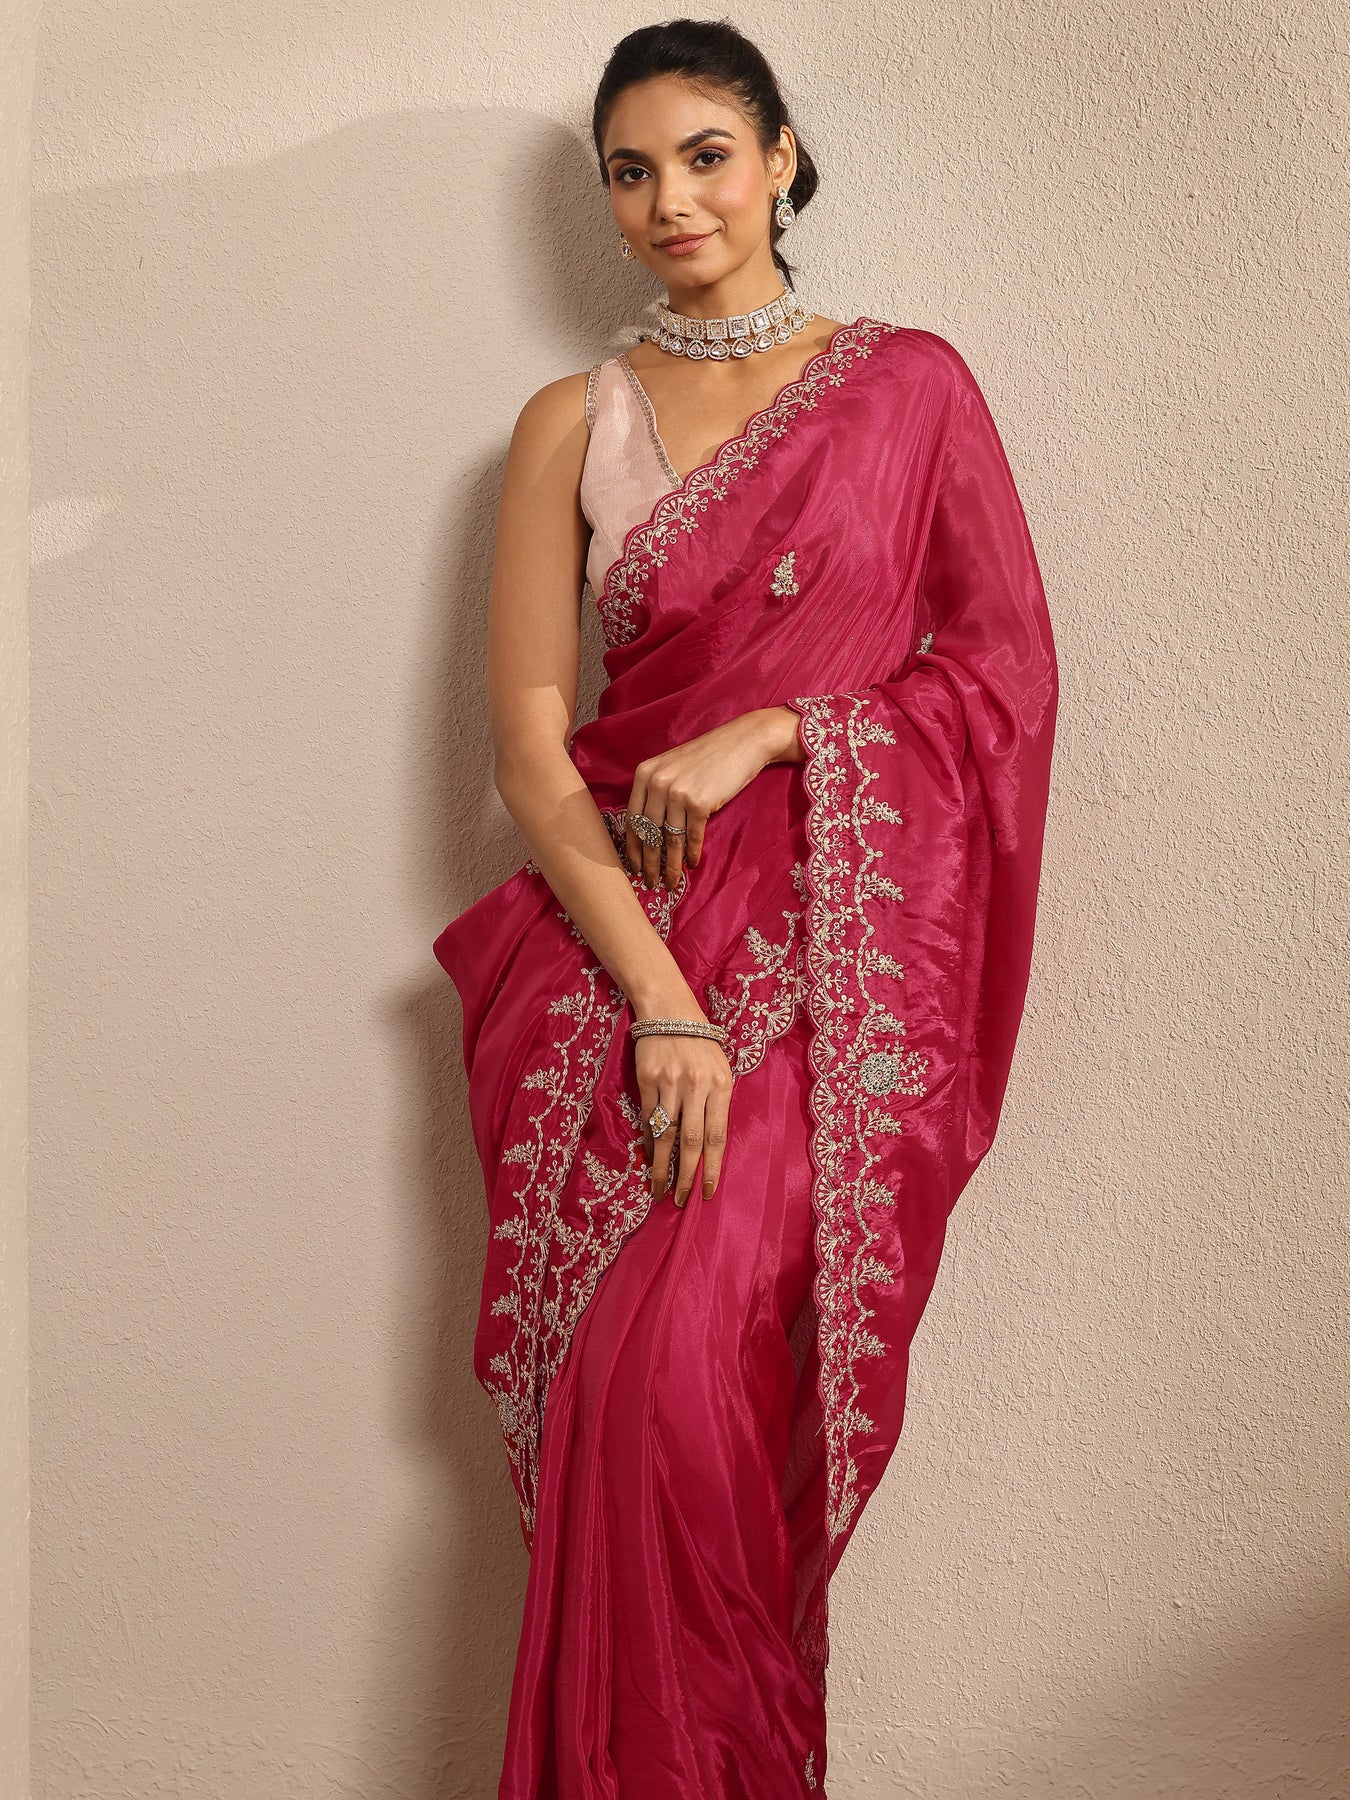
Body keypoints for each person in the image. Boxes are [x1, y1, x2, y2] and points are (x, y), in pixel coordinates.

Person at [433, 19, 1059, 1797]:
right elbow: (532, 755)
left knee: (694, 1389)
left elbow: (999, 675)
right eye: (629, 171)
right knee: (616, 1405)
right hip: (613, 968)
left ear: (780, 158)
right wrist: (662, 1004)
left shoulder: (909, 389)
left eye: (705, 154)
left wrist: (779, 727)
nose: (670, 199)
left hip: (826, 970)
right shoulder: (571, 422)